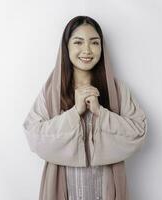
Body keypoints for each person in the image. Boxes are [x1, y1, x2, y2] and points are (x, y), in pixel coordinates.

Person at [23, 16, 148, 200]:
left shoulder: (117, 90)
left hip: (106, 190)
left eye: (94, 43)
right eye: (78, 42)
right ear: (66, 47)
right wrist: (74, 114)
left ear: (102, 48)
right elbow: (33, 136)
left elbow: (139, 132)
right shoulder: (52, 92)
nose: (87, 50)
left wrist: (101, 113)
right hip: (64, 188)